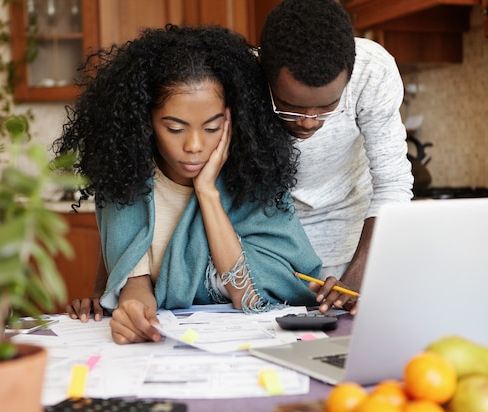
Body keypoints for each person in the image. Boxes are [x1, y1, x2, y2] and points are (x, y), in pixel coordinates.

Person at [53, 24, 323, 343]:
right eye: (175, 128)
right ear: (146, 120)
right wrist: (133, 313)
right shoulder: (126, 178)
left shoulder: (255, 178)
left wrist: (207, 192)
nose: (194, 145)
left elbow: (249, 296)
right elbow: (135, 282)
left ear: (235, 120)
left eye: (212, 128)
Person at [258, 0, 413, 314]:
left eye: (327, 106)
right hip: (265, 242)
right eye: (291, 106)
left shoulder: (371, 71)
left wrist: (361, 271)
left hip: (351, 237)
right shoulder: (243, 75)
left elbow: (393, 185)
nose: (308, 121)